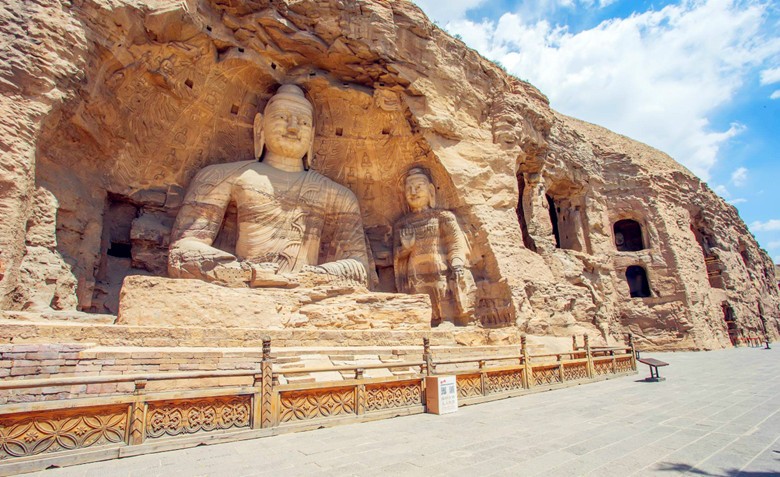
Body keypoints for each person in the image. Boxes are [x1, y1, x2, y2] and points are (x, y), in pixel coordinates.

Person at [168, 84, 369, 288]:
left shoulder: (339, 196)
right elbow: (183, 249)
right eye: (282, 117)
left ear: (312, 136)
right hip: (241, 287)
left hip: (305, 289)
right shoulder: (222, 177)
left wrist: (313, 276)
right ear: (260, 126)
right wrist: (244, 273)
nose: (293, 127)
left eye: (303, 122)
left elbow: (360, 269)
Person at [393, 167, 475, 325]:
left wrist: (457, 263)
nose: (413, 192)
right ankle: (423, 322)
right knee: (418, 296)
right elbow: (397, 256)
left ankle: (448, 320)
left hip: (439, 267)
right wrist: (406, 248)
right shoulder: (401, 224)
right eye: (409, 189)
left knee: (442, 293)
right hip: (415, 272)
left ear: (431, 190)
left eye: (418, 187)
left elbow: (455, 243)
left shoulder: (443, 217)